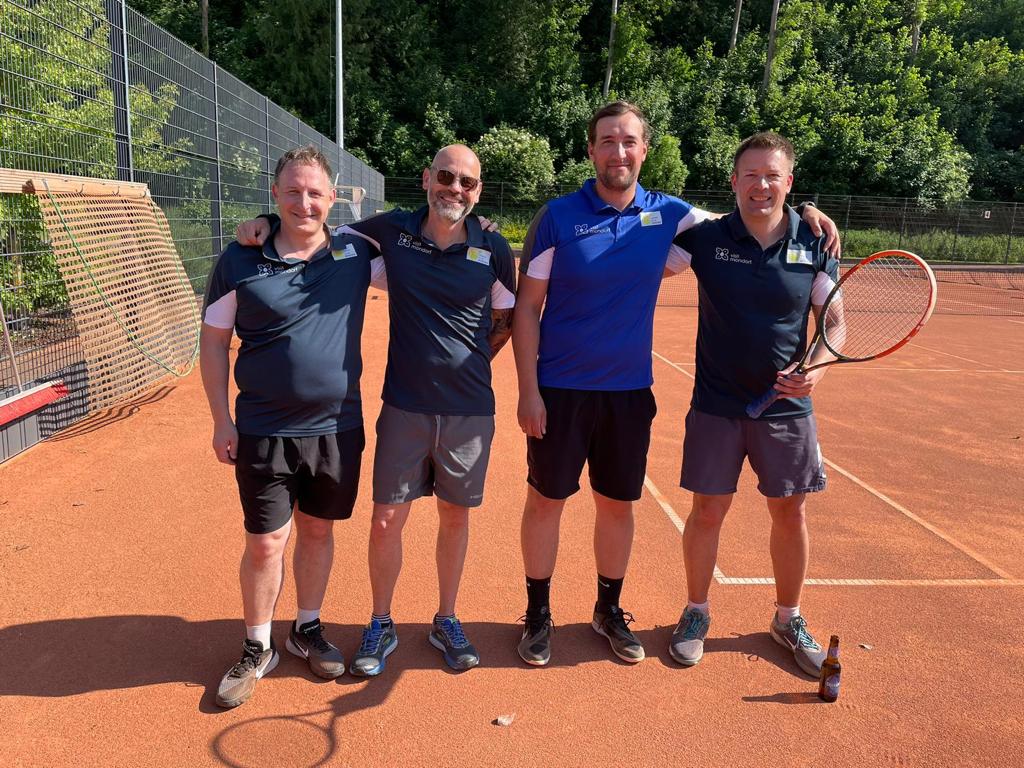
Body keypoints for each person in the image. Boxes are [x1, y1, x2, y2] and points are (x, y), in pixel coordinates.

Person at [512, 102, 839, 666]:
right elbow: (526, 307)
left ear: (645, 150)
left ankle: (608, 610)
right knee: (546, 502)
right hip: (561, 388)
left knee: (618, 506)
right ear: (591, 150)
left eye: (629, 141)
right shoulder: (557, 217)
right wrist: (528, 390)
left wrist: (806, 209)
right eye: (607, 141)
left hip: (629, 393)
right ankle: (538, 613)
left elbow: (752, 208)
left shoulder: (671, 214)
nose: (618, 152)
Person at [237, 144, 516, 676]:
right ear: (427, 178)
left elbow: (507, 317)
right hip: (404, 406)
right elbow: (315, 227)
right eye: (446, 177)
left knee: (455, 516)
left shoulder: (494, 247)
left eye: (467, 182)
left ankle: (446, 618)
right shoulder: (390, 232)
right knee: (386, 520)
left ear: (478, 191)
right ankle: (381, 621)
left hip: (470, 410)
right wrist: (267, 221)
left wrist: (469, 363)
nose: (455, 189)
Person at [202, 146, 384, 708]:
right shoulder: (239, 258)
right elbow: (214, 343)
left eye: (315, 193)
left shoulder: (357, 253)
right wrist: (221, 419)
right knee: (265, 543)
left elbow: (425, 237)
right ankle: (258, 646)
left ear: (333, 199)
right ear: (275, 194)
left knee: (318, 532)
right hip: (263, 429)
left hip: (337, 429)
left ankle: (307, 627)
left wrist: (478, 226)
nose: (304, 202)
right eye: (292, 192)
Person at [667, 131, 836, 677]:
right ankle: (696, 611)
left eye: (772, 176)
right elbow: (647, 244)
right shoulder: (707, 238)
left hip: (785, 411)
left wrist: (815, 372)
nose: (761, 185)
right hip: (716, 406)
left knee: (790, 512)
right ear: (734, 182)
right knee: (707, 511)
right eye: (751, 175)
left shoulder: (816, 243)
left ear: (789, 182)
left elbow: (833, 323)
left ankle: (788, 618)